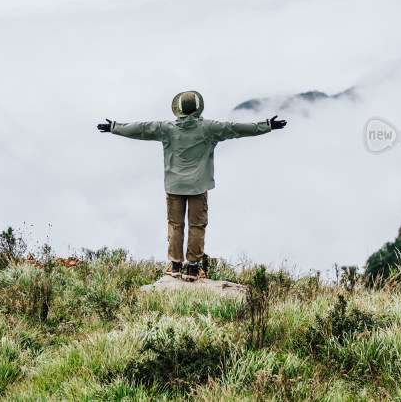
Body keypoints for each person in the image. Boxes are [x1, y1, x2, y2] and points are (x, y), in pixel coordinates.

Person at [97, 90, 286, 281]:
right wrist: (267, 125)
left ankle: (175, 266)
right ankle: (193, 269)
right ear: (197, 108)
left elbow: (141, 129)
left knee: (175, 225)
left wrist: (114, 127)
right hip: (198, 185)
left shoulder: (166, 128)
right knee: (197, 225)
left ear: (178, 109)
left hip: (174, 185)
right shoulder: (210, 128)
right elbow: (236, 128)